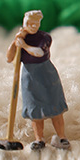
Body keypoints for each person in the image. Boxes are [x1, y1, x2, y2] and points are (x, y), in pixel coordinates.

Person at [7, 9, 69, 151]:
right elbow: (9, 58)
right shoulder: (21, 39)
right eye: (30, 23)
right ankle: (39, 140)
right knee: (35, 111)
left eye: (36, 23)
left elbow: (39, 52)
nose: (34, 26)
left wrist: (24, 46)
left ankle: (62, 137)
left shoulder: (45, 37)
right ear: (25, 23)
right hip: (29, 77)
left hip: (47, 75)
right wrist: (15, 42)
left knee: (55, 108)